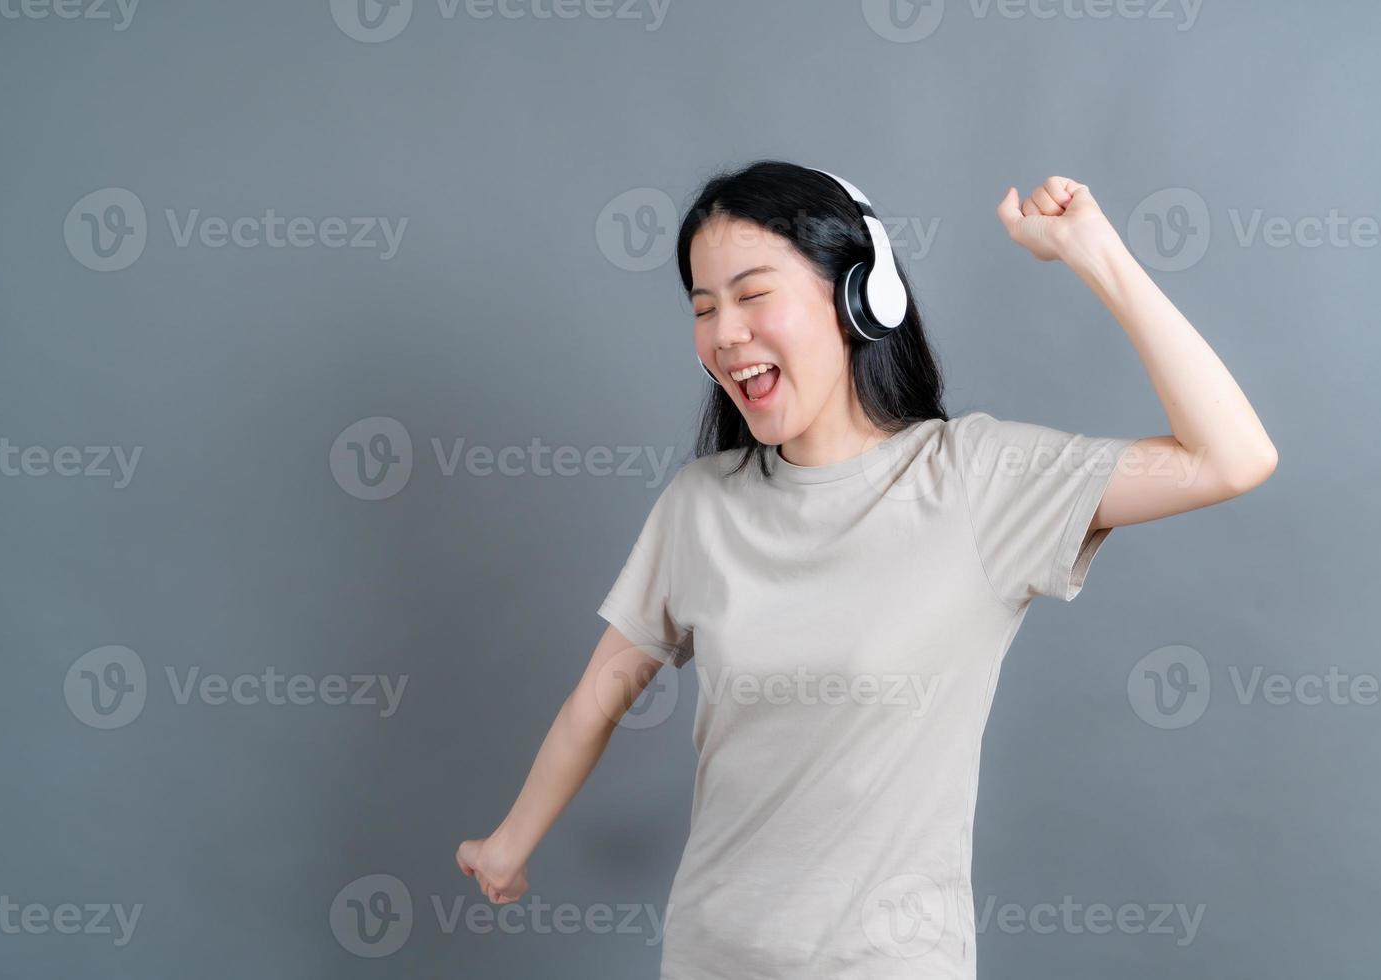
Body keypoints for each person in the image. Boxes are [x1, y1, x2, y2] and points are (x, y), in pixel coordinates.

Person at [455, 160, 1278, 978]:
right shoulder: (700, 504)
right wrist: (508, 846)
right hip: (712, 958)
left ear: (860, 298)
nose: (725, 332)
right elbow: (597, 697)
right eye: (704, 308)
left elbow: (1231, 457)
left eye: (752, 294)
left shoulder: (976, 481)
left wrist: (1093, 251)